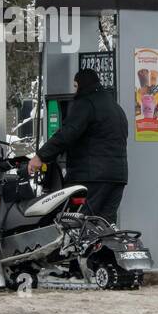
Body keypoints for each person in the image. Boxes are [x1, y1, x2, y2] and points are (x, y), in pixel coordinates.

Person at [27, 68, 128, 221]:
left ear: (82, 84)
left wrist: (41, 156)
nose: (75, 91)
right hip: (117, 177)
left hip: (92, 176)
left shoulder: (86, 103)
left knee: (80, 223)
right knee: (105, 226)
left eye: (76, 86)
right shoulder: (116, 107)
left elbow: (67, 134)